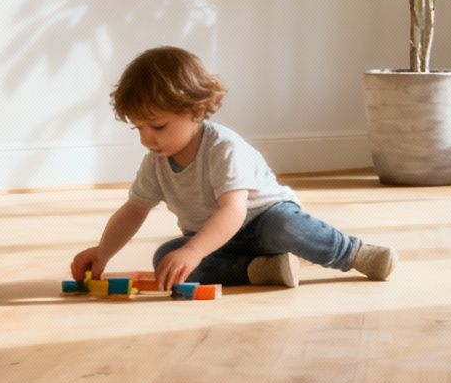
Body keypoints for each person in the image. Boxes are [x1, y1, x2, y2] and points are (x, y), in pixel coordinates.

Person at [69, 46, 395, 291]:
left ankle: (354, 253)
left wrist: (195, 250)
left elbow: (233, 212)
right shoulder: (155, 163)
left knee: (285, 226)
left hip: (261, 221)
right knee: (167, 259)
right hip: (213, 239)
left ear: (195, 109)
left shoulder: (223, 148)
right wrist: (103, 251)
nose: (146, 139)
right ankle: (260, 270)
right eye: (137, 128)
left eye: (157, 126)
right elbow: (133, 210)